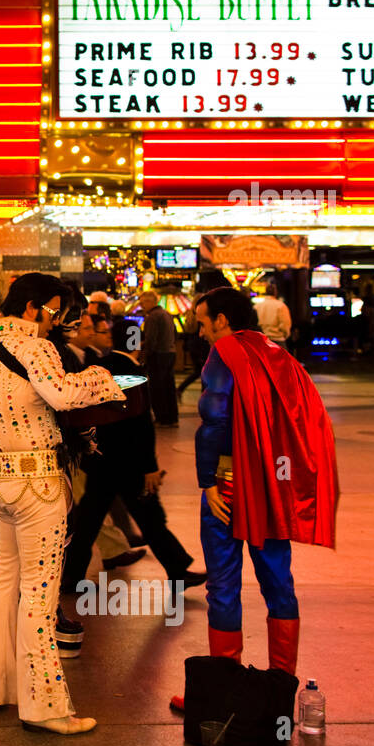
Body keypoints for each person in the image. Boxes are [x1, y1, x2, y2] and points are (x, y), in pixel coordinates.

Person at [0, 273, 125, 735]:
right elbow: (64, 396)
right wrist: (99, 377)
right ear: (31, 309)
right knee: (40, 593)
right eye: (53, 313)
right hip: (40, 487)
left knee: (2, 580)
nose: (55, 323)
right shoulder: (36, 349)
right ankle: (45, 707)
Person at [171, 288, 339, 712]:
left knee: (223, 586)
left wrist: (207, 479)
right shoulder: (275, 353)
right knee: (278, 582)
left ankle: (222, 695)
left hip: (230, 483)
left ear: (223, 321)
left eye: (204, 320)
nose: (200, 328)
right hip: (271, 487)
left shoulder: (223, 353)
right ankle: (281, 691)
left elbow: (215, 419)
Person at [61, 317, 207, 608]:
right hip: (126, 462)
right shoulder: (129, 369)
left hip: (105, 460)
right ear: (139, 342)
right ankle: (177, 570)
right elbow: (140, 423)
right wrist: (149, 465)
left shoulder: (104, 366)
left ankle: (72, 576)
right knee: (149, 516)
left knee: (90, 519)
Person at [139, 290, 179, 427]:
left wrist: (144, 356)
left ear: (150, 301)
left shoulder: (152, 316)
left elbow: (151, 339)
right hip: (170, 352)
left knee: (157, 388)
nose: (141, 305)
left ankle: (162, 418)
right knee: (169, 387)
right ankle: (173, 418)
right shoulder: (166, 314)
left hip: (158, 355)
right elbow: (175, 333)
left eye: (143, 302)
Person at [254, 281, 292, 346]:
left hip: (262, 340)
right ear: (275, 292)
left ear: (265, 292)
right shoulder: (281, 305)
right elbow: (285, 324)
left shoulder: (257, 306)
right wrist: (285, 335)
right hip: (278, 340)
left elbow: (254, 324)